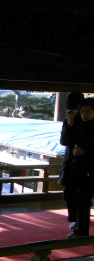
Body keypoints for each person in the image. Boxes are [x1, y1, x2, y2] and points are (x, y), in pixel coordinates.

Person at [66, 98, 94, 238]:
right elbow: (66, 142)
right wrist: (70, 123)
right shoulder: (79, 126)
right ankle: (80, 231)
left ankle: (81, 231)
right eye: (82, 111)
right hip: (79, 169)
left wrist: (86, 151)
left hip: (90, 168)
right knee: (81, 200)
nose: (84, 114)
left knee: (83, 200)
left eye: (88, 111)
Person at [59, 91, 85, 233]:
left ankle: (79, 220)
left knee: (81, 192)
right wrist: (69, 123)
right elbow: (63, 141)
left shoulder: (87, 121)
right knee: (69, 192)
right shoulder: (68, 119)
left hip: (85, 161)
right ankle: (74, 218)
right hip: (70, 160)